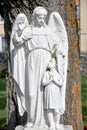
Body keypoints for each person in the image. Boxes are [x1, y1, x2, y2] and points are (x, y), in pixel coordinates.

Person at [10, 13, 29, 116]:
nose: (22, 24)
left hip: (27, 59)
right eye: (19, 22)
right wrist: (19, 31)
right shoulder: (16, 33)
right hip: (19, 59)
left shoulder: (30, 32)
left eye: (23, 22)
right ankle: (23, 103)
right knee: (20, 80)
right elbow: (16, 41)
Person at [42, 58, 63, 130]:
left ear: (54, 65)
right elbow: (43, 83)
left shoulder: (57, 74)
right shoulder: (46, 73)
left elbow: (61, 83)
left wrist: (54, 80)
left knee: (56, 109)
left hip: (55, 91)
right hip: (48, 91)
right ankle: (51, 124)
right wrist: (50, 80)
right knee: (49, 109)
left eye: (50, 62)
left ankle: (57, 123)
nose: (48, 64)